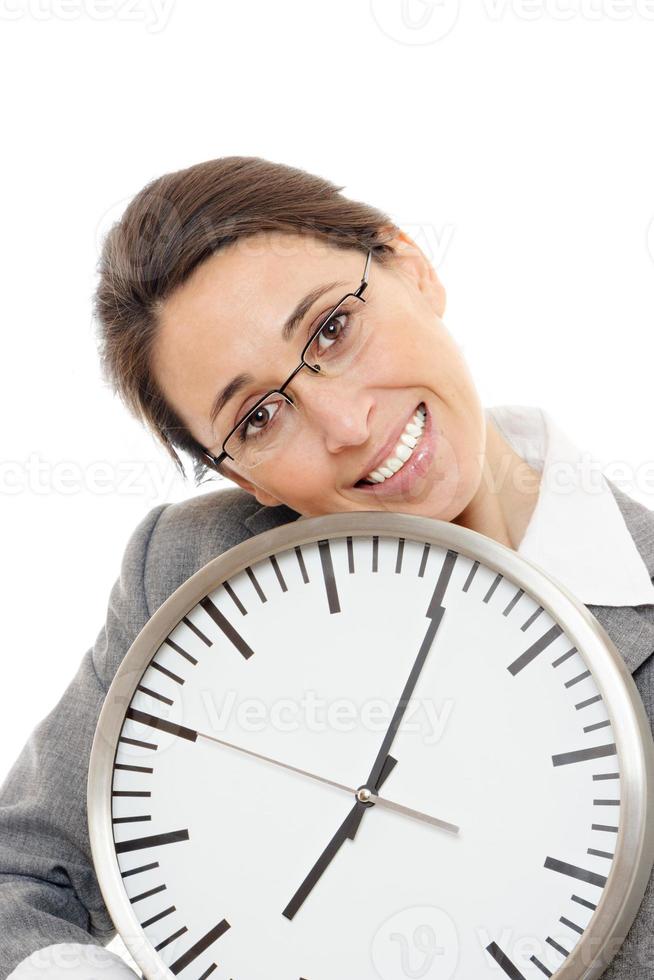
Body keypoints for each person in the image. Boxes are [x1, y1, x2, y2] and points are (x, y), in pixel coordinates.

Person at [1, 156, 652, 979]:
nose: (345, 424)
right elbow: (16, 878)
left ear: (411, 266)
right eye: (261, 415)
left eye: (332, 330)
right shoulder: (186, 580)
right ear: (244, 477)